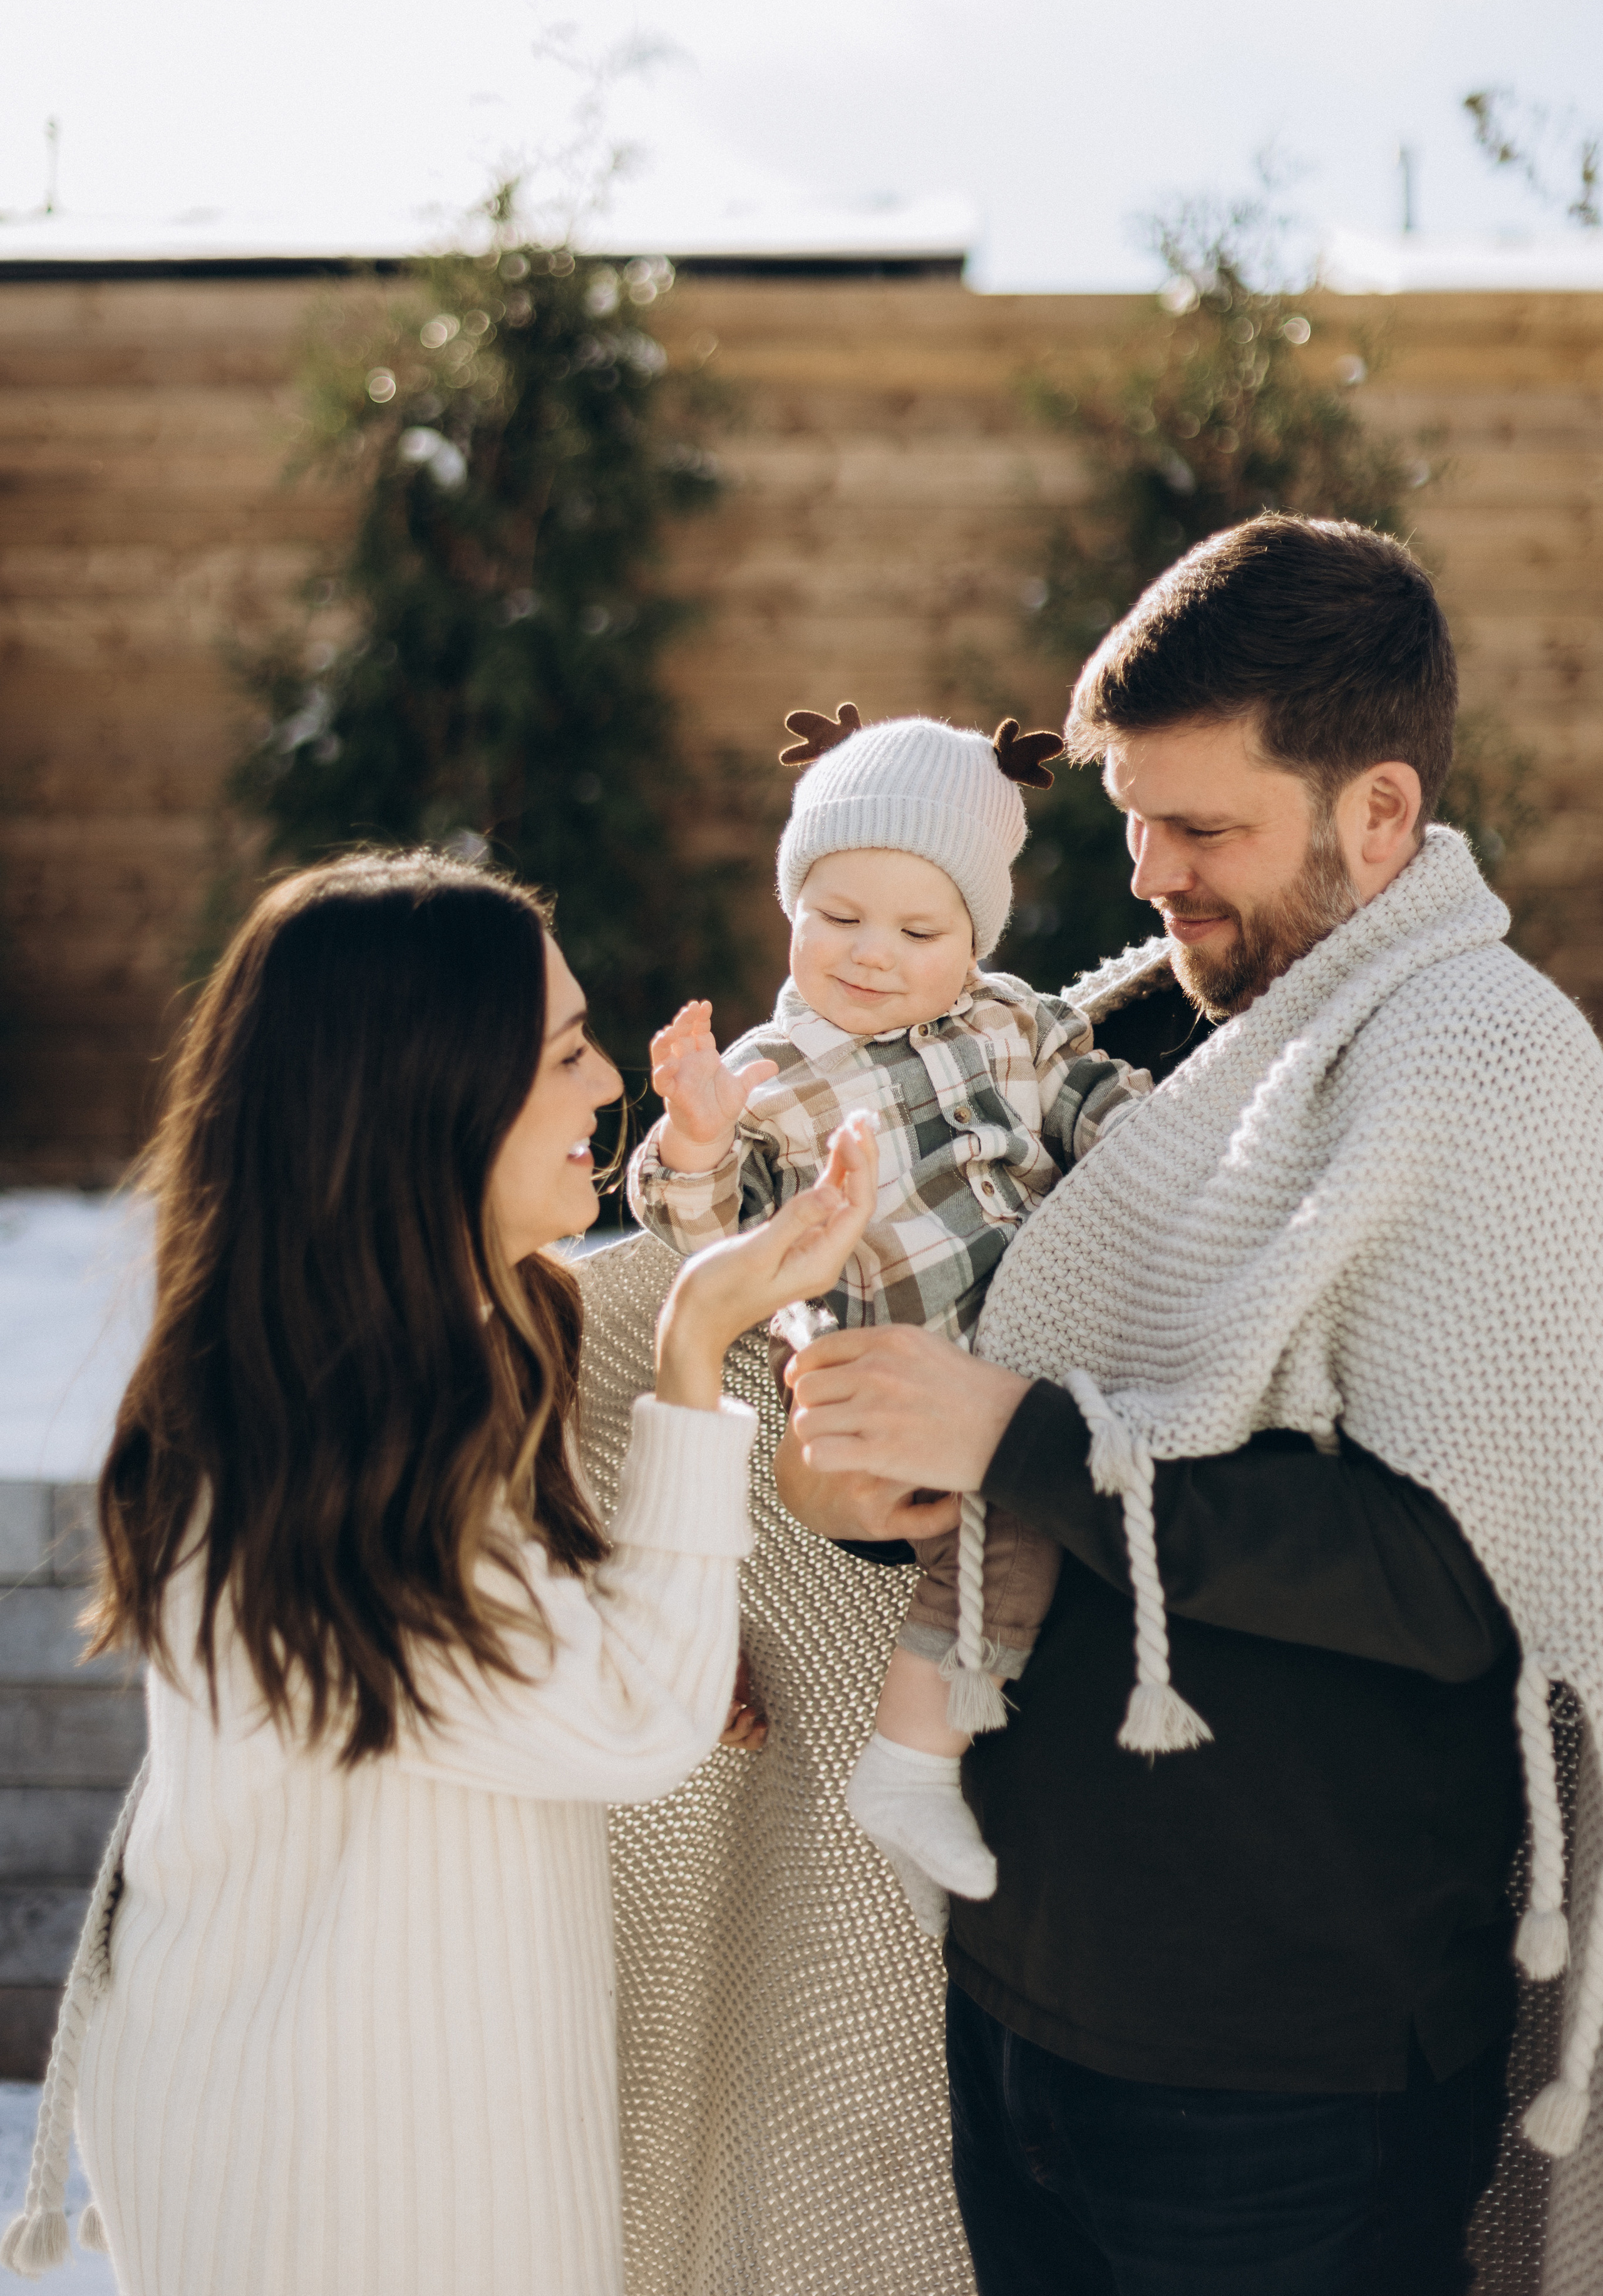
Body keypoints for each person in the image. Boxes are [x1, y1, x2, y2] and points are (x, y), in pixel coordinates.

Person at [776, 515, 1603, 2295]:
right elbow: (1026, 1432)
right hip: (1027, 2003)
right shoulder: (1155, 1054)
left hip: (1285, 2083)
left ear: (1377, 811)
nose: (1150, 875)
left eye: (1203, 829)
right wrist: (878, 1487)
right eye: (1134, 820)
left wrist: (1006, 1432)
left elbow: (1460, 1576)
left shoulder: (1492, 1072)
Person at [0, 851, 880, 2296]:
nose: (605, 1086)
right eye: (565, 1053)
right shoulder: (350, 1441)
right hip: (340, 2168)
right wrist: (691, 1350)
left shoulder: (378, 1369)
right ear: (431, 1100)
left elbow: (535, 1670)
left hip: (389, 2114)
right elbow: (631, 1722)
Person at [627, 708, 1147, 1931]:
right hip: (899, 1375)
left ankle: (966, 1788)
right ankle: (909, 1769)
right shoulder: (768, 1075)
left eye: (918, 933)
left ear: (975, 938)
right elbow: (703, 1233)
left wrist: (1170, 1165)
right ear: (789, 909)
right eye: (835, 917)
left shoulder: (1012, 1023)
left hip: (1044, 1349)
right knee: (998, 1550)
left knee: (1064, 1545)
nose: (870, 955)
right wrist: (696, 1139)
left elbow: (1107, 1109)